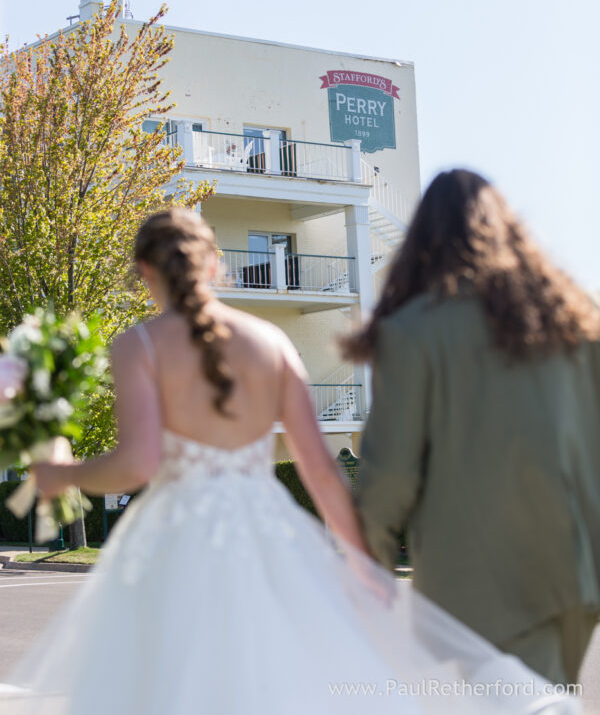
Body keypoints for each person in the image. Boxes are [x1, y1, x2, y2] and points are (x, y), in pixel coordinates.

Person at [0, 208, 580, 713]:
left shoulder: (140, 344)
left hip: (174, 541)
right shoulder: (272, 343)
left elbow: (137, 464)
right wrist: (361, 563)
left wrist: (63, 474)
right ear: (216, 266)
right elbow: (322, 473)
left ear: (145, 273)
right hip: (268, 535)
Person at [343, 169, 600, 688]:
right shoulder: (578, 325)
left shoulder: (411, 332)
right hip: (576, 569)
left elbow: (391, 474)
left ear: (422, 242)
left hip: (478, 580)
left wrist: (370, 564)